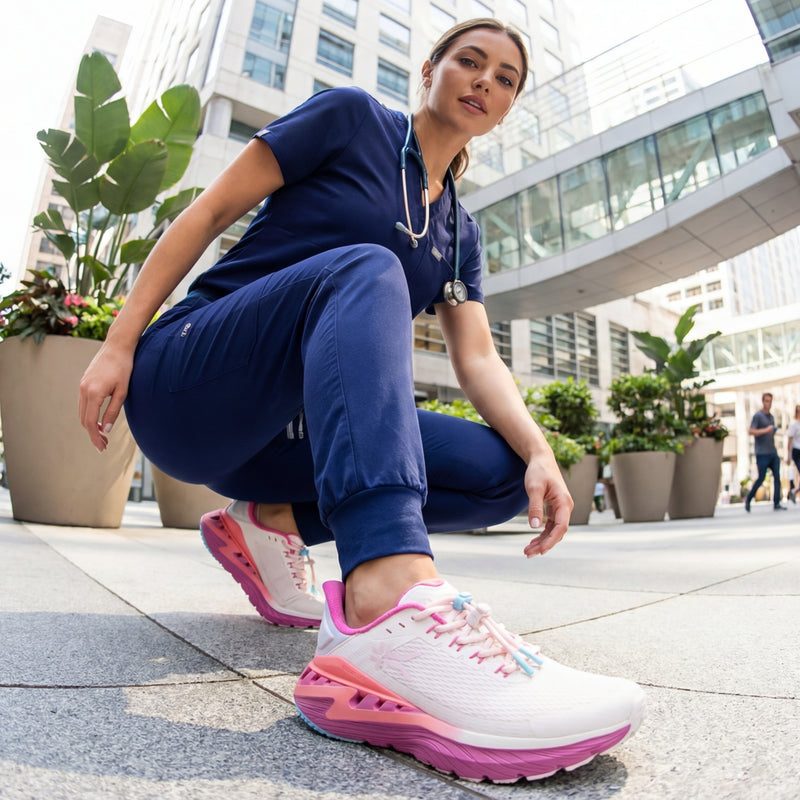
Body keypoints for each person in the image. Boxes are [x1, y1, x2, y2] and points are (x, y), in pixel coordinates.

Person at [78, 19, 643, 782]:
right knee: (367, 269)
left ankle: (272, 519)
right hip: (192, 385)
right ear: (429, 69)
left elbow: (475, 357)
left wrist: (542, 452)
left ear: (510, 105)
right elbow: (207, 213)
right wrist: (119, 342)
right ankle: (385, 597)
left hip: (283, 444)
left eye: (505, 78)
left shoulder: (458, 230)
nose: (484, 82)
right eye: (469, 62)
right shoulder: (349, 120)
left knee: (502, 472)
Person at [745, 392, 786, 512]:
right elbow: (751, 431)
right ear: (763, 401)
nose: (769, 403)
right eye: (767, 401)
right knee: (761, 478)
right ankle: (748, 498)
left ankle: (777, 503)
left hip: (772, 451)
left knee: (777, 477)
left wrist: (772, 431)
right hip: (761, 453)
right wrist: (765, 430)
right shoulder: (758, 416)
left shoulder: (771, 417)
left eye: (770, 401)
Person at [787, 404, 800, 503]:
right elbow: (789, 440)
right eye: (798, 411)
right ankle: (794, 491)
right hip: (797, 452)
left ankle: (794, 491)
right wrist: (788, 456)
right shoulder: (793, 424)